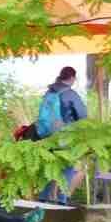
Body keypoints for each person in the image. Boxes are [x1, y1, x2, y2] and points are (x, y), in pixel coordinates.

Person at [37, 66, 89, 201]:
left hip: (47, 136)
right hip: (65, 137)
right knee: (67, 167)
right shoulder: (70, 94)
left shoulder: (49, 92)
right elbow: (82, 116)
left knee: (50, 166)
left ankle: (43, 198)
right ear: (72, 78)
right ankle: (61, 200)